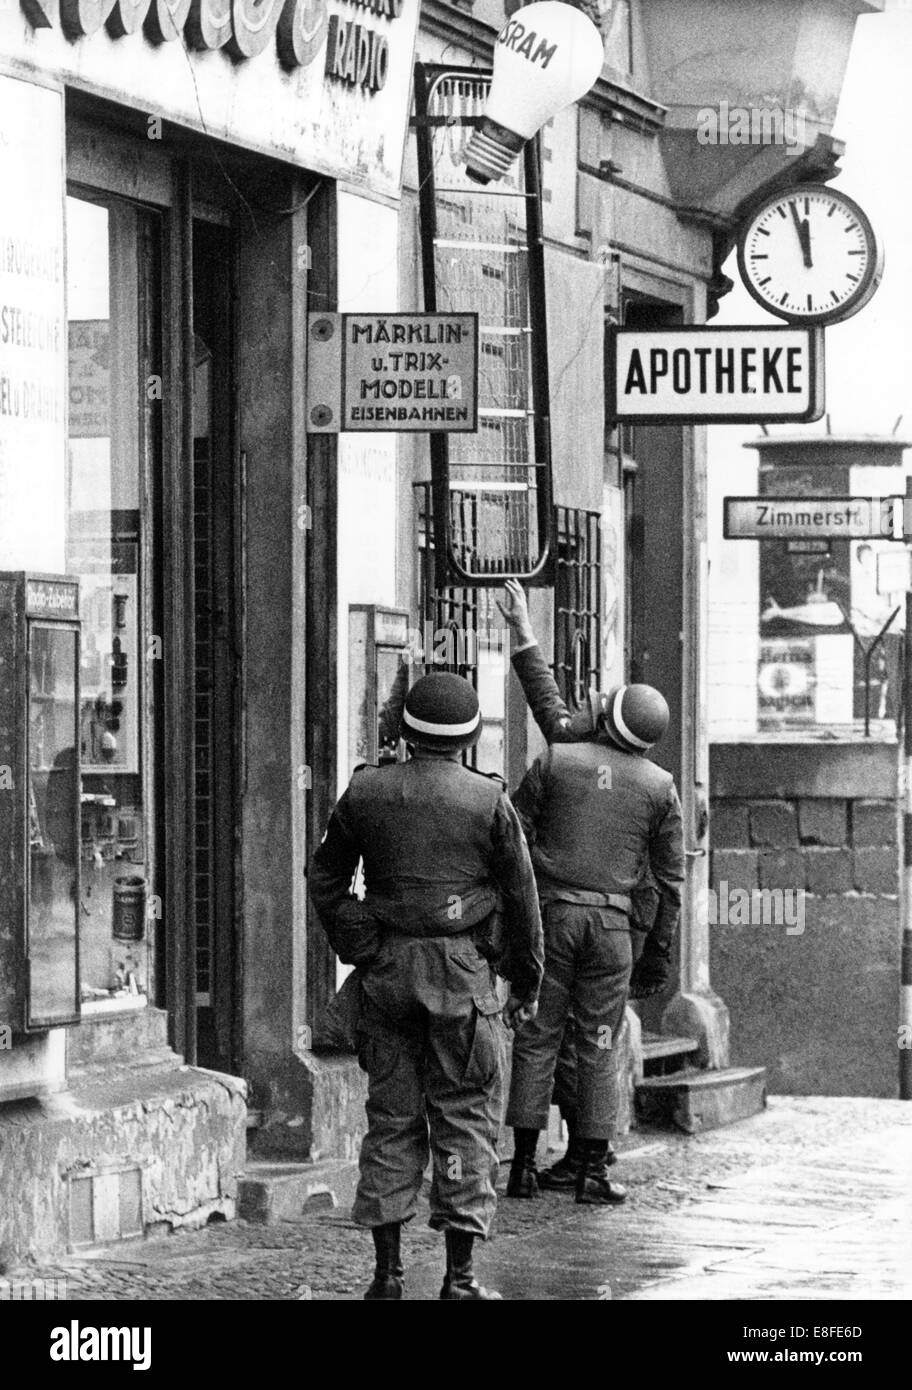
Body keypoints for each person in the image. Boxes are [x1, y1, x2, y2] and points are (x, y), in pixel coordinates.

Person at [309, 670, 544, 1301]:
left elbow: (326, 880)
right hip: (463, 980)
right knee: (465, 1119)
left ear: (406, 731)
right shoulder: (489, 801)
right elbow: (523, 899)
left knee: (391, 1119)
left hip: (386, 977)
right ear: (469, 738)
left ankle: (386, 1278)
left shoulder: (365, 792)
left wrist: (361, 943)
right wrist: (526, 982)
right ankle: (459, 1280)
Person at [497, 580, 684, 1205]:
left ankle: (522, 1167)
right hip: (612, 932)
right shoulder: (660, 787)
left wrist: (524, 633)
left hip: (552, 920)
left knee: (537, 1034)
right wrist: (658, 952)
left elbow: (514, 840)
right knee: (601, 1044)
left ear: (609, 716)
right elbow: (670, 881)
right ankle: (595, 1173)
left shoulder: (559, 759)